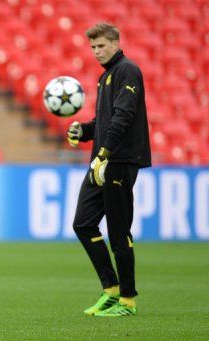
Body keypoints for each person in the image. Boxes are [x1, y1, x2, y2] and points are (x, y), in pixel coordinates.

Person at [67, 23, 151, 316]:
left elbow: (124, 117)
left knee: (118, 231)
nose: (96, 52)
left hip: (118, 161)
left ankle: (128, 300)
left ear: (115, 43)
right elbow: (105, 121)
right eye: (92, 47)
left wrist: (103, 153)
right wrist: (85, 131)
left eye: (101, 46)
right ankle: (111, 290)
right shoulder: (106, 77)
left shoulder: (128, 71)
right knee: (83, 223)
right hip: (101, 160)